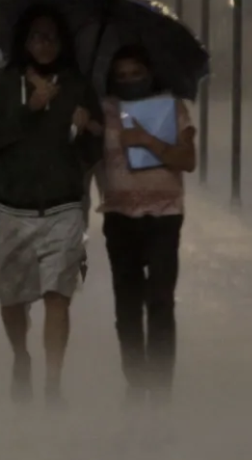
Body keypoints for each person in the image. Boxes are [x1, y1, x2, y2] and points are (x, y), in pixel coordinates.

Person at [0, 5, 102, 406]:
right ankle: (21, 357)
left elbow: (93, 149)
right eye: (36, 37)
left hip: (63, 208)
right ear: (23, 42)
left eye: (51, 37)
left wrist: (87, 129)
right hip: (12, 209)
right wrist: (27, 110)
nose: (44, 45)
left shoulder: (78, 85)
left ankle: (53, 383)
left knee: (57, 296)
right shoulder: (2, 84)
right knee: (11, 298)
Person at [96, 44, 196, 406]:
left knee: (160, 300)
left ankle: (161, 387)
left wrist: (146, 141)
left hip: (164, 216)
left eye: (136, 73)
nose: (129, 81)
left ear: (150, 73)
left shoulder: (172, 108)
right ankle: (136, 382)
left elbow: (187, 160)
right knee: (127, 303)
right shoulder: (103, 111)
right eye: (121, 76)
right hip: (118, 216)